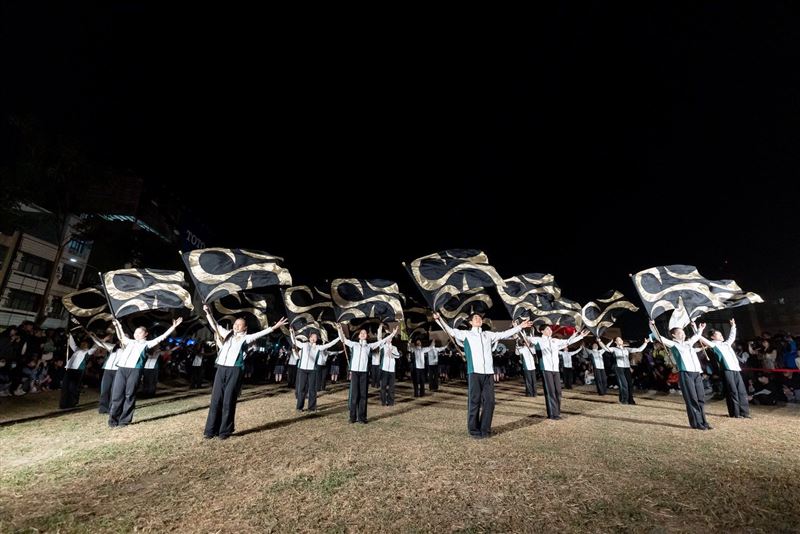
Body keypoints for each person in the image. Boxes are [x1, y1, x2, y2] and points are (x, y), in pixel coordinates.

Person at [434, 312, 533, 438]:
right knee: (474, 401)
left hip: (488, 373)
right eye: (475, 318)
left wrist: (520, 327)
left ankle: (485, 429)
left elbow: (504, 334)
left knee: (490, 402)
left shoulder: (488, 335)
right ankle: (474, 430)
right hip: (474, 372)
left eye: (480, 318)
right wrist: (439, 319)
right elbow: (450, 331)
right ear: (470, 322)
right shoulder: (466, 334)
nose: (478, 319)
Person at [202, 305, 287, 439]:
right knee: (216, 399)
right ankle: (210, 430)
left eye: (239, 325)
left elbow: (261, 333)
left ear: (245, 328)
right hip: (221, 368)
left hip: (234, 370)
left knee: (228, 400)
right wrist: (208, 311)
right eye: (235, 324)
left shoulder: (246, 338)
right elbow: (214, 325)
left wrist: (274, 327)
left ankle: (225, 431)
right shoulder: (227, 334)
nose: (236, 326)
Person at [108, 317, 182, 427]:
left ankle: (124, 421)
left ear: (145, 334)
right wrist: (117, 325)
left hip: (135, 370)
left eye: (140, 332)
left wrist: (173, 327)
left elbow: (162, 337)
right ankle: (113, 421)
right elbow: (121, 336)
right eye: (136, 332)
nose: (137, 334)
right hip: (122, 369)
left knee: (130, 395)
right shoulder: (130, 342)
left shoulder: (147, 344)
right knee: (117, 395)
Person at [649, 320, 711, 430]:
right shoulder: (673, 344)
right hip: (685, 373)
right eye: (680, 333)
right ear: (674, 335)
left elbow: (696, 336)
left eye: (683, 332)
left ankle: (704, 422)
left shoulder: (688, 343)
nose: (683, 334)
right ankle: (696, 423)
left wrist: (700, 328)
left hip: (696, 372)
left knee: (700, 398)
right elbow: (659, 337)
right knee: (692, 399)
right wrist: (652, 325)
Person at [524, 325, 589, 420]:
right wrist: (520, 330)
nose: (550, 330)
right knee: (550, 392)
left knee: (558, 392)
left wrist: (580, 336)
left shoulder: (555, 341)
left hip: (556, 370)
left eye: (550, 329)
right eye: (547, 329)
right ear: (542, 331)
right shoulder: (539, 340)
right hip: (546, 369)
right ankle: (552, 414)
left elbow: (568, 342)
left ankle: (557, 412)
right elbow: (527, 338)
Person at [337, 324, 397, 424]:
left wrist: (393, 334)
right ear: (359, 335)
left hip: (364, 373)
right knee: (354, 395)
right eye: (361, 333)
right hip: (355, 372)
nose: (363, 334)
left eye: (365, 333)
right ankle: (352, 417)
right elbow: (343, 339)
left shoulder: (369, 346)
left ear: (367, 336)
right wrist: (339, 329)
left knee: (363, 396)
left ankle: (362, 417)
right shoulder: (354, 345)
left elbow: (381, 341)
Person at [697, 319, 750, 418]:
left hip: (736, 369)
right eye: (718, 334)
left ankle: (745, 412)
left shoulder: (726, 343)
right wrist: (698, 330)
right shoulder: (713, 344)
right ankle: (735, 413)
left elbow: (732, 336)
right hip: (726, 370)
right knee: (732, 391)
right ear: (713, 337)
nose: (721, 335)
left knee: (741, 391)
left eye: (721, 334)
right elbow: (701, 338)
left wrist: (733, 326)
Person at [291, 330, 339, 412]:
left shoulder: (318, 347)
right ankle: (299, 407)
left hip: (312, 370)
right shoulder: (304, 345)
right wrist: (292, 333)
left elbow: (329, 344)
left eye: (315, 337)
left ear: (317, 339)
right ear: (309, 338)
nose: (313, 338)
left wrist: (339, 337)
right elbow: (294, 341)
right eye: (312, 337)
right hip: (302, 370)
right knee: (301, 389)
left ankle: (312, 408)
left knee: (312, 389)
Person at [598, 336, 649, 405]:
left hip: (626, 368)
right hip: (619, 367)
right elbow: (605, 348)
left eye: (621, 339)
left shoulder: (626, 349)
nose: (620, 340)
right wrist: (599, 341)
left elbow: (639, 350)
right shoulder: (614, 349)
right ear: (615, 342)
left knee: (629, 384)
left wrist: (645, 343)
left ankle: (630, 400)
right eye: (618, 340)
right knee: (623, 384)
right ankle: (624, 400)